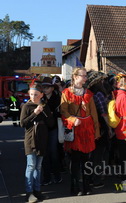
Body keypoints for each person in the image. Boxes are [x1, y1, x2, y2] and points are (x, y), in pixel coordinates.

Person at [60, 67, 100, 196]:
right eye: (83, 75)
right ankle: (75, 187)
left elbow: (94, 113)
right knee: (75, 161)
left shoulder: (88, 93)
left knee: (87, 161)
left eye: (85, 76)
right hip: (75, 129)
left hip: (87, 129)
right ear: (75, 77)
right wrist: (72, 120)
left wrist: (96, 131)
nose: (85, 78)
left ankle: (87, 186)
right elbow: (63, 111)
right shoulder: (66, 93)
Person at [20, 82, 54, 202]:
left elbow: (51, 124)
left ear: (41, 95)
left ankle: (37, 190)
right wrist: (35, 113)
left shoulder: (45, 106)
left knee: (38, 167)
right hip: (30, 138)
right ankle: (29, 193)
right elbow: (22, 123)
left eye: (35, 95)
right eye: (31, 94)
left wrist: (44, 112)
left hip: (42, 138)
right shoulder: (26, 106)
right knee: (31, 166)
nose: (33, 97)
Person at [41, 77, 62, 186]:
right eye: (43, 87)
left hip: (53, 127)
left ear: (52, 88)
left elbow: (61, 113)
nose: (45, 89)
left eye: (47, 87)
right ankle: (47, 177)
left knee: (53, 152)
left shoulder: (58, 98)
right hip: (43, 128)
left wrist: (54, 114)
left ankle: (57, 175)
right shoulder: (41, 98)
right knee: (44, 153)